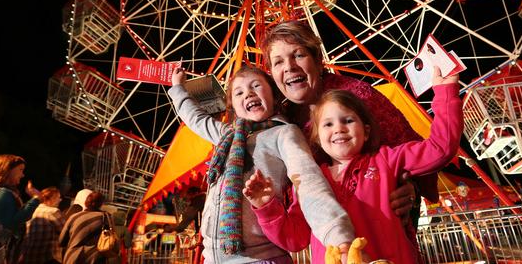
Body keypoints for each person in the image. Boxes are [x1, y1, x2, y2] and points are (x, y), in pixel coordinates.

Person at [244, 67, 462, 264]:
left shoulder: (387, 160)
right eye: (328, 124)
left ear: (366, 131)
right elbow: (295, 238)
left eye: (348, 120)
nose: (339, 128)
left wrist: (445, 92)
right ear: (316, 137)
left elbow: (440, 148)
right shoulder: (309, 183)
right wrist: (266, 206)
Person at [168, 64, 355, 263]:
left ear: (274, 97)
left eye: (256, 86)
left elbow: (308, 181)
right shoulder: (226, 136)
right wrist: (178, 88)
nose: (248, 94)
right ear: (234, 107)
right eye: (239, 93)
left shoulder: (283, 133)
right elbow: (195, 118)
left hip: (261, 257)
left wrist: (340, 240)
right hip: (213, 258)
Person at [260, 21, 435, 221]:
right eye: (278, 62)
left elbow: (415, 153)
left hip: (379, 221)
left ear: (318, 60)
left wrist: (412, 189)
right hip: (325, 236)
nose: (289, 67)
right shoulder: (278, 122)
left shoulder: (359, 97)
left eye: (298, 55)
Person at [59, 191, 113, 264]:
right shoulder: (105, 217)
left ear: (86, 202)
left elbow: (61, 241)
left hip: (72, 258)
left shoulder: (74, 217)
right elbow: (111, 239)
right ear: (101, 204)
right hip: (94, 258)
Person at [20, 187, 64, 263]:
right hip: (46, 258)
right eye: (59, 197)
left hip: (28, 256)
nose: (60, 200)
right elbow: (64, 233)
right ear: (52, 198)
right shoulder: (53, 211)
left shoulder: (33, 209)